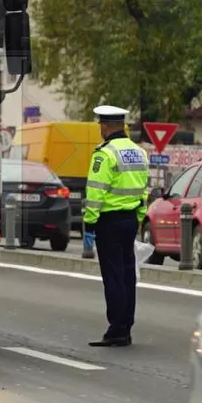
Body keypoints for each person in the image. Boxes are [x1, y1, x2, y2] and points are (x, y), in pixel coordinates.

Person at [82, 105, 150, 347]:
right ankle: (126, 326)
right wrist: (139, 216)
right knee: (128, 274)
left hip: (108, 222)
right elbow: (144, 189)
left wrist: (89, 222)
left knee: (112, 276)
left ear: (104, 125)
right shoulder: (139, 153)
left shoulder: (104, 154)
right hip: (130, 219)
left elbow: (95, 191)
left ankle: (116, 329)